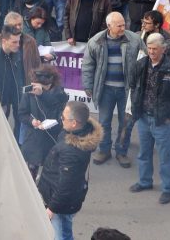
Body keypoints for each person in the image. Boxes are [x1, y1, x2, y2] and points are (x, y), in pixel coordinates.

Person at [129, 33, 170, 204]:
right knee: (144, 154)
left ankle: (168, 189)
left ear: (163, 49)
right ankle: (144, 182)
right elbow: (133, 86)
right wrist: (136, 109)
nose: (152, 52)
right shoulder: (140, 64)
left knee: (165, 158)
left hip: (163, 121)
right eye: (149, 48)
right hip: (143, 118)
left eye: (155, 49)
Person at [81, 11, 142, 168]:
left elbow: (144, 63)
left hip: (127, 91)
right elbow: (87, 65)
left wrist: (139, 87)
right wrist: (87, 85)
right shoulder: (95, 41)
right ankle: (104, 150)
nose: (123, 28)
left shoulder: (135, 40)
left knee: (126, 123)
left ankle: (121, 152)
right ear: (109, 26)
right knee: (104, 122)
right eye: (119, 25)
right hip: (105, 90)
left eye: (124, 24)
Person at [38, 101, 103, 240]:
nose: (61, 119)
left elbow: (65, 185)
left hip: (61, 204)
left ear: (74, 123)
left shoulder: (71, 151)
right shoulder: (79, 131)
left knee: (61, 235)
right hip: (68, 199)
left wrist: (52, 208)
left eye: (63, 117)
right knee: (65, 230)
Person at [18, 64, 68, 179]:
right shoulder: (29, 94)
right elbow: (22, 114)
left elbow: (58, 101)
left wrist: (43, 95)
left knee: (50, 168)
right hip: (34, 138)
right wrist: (31, 121)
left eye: (46, 87)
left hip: (52, 136)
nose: (43, 89)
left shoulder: (59, 93)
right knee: (32, 169)